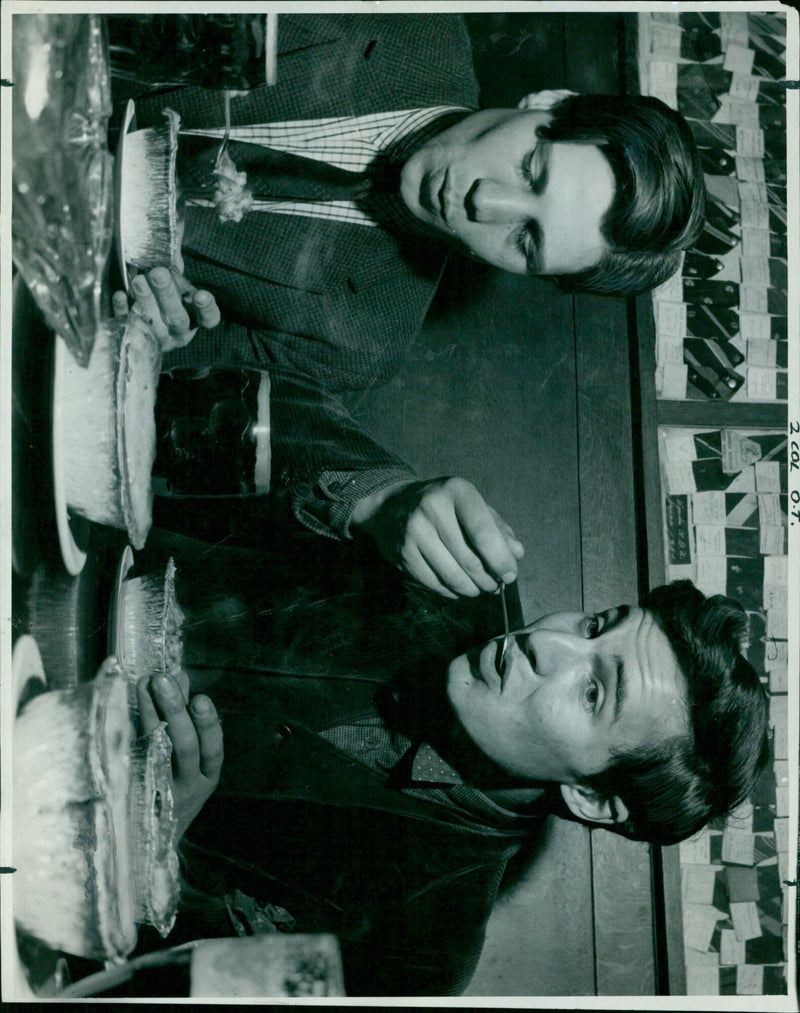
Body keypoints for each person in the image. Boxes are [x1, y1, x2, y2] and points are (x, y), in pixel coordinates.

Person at [114, 13, 705, 599]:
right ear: (549, 101)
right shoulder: (408, 19)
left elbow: (160, 395)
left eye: (527, 242)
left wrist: (151, 335)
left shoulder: (364, 339)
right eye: (532, 168)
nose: (486, 203)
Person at [140, 535, 768, 996]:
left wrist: (156, 843)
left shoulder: (423, 956)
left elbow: (148, 983)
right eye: (595, 624)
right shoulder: (452, 567)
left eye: (593, 692)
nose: (544, 641)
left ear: (593, 799)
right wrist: (377, 495)